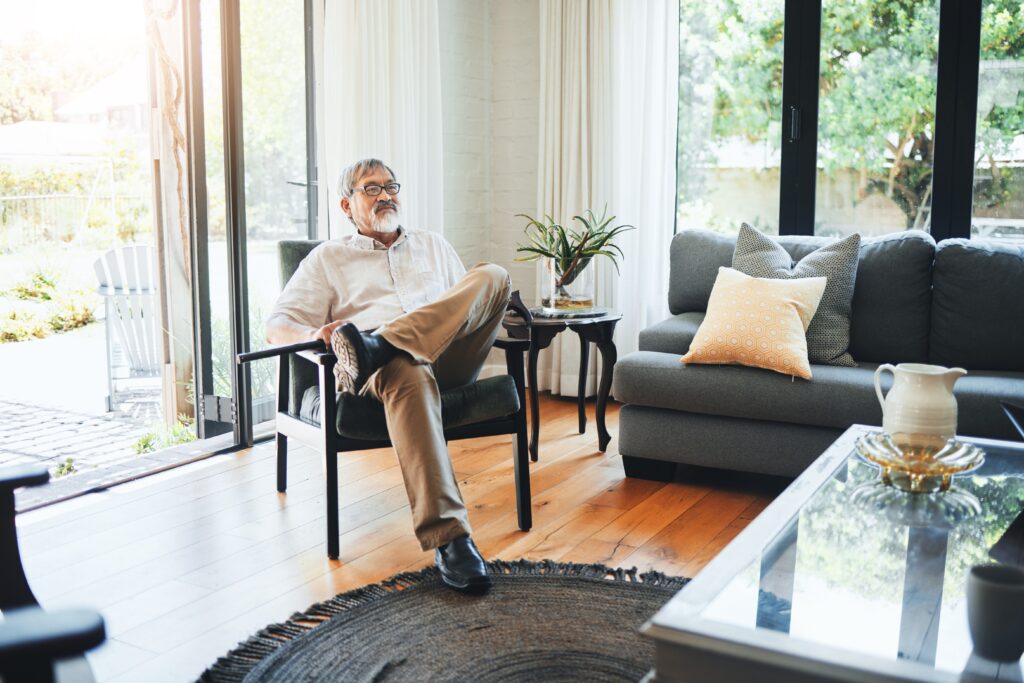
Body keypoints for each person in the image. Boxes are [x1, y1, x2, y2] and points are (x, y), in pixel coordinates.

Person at [266, 158, 515, 592]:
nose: (385, 195)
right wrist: (314, 332)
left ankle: (384, 342)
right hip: (380, 376)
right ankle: (451, 538)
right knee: (406, 367)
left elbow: (463, 311)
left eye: (391, 185)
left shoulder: (433, 244)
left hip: (449, 359)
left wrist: (390, 340)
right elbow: (276, 325)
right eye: (371, 188)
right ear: (347, 205)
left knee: (494, 275)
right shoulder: (327, 258)